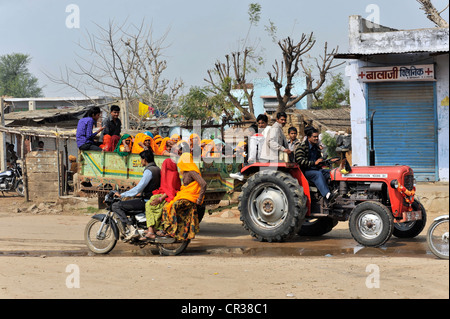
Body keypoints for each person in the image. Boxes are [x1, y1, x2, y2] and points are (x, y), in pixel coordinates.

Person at [111, 150, 161, 241]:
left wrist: (122, 195)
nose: (140, 161)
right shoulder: (157, 168)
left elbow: (139, 188)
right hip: (151, 197)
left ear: (144, 159)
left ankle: (131, 229)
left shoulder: (149, 171)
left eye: (141, 159)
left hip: (147, 200)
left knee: (116, 206)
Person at [158, 152, 207, 241]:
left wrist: (199, 199)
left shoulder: (192, 171)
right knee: (166, 206)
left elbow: (203, 184)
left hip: (191, 197)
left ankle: (172, 231)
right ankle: (167, 228)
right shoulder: (185, 171)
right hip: (185, 194)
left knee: (174, 206)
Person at [141, 157, 182, 240]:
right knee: (152, 201)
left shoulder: (172, 175)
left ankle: (151, 230)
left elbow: (171, 189)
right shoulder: (171, 173)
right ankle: (152, 229)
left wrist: (160, 199)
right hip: (164, 194)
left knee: (150, 205)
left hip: (168, 196)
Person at [294, 128, 336, 205]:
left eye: (317, 136)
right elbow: (300, 161)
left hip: (316, 169)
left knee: (331, 172)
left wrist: (323, 160)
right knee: (318, 174)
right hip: (305, 172)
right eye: (314, 137)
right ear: (309, 137)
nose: (316, 138)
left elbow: (319, 161)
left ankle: (335, 191)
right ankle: (327, 195)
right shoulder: (301, 147)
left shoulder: (316, 147)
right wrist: (314, 163)